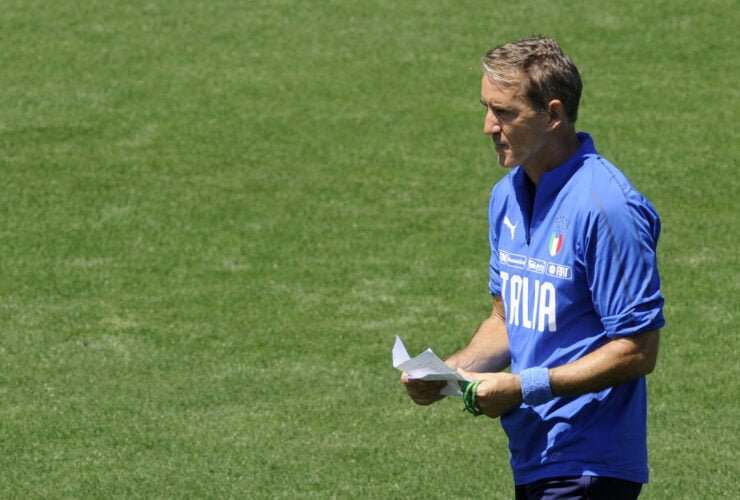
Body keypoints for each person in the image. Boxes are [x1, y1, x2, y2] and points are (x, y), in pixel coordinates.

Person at [402, 36, 665, 499]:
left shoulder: (607, 208)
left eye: (504, 112)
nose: (488, 126)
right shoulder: (506, 195)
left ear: (553, 115)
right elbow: (506, 319)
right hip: (534, 455)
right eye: (486, 108)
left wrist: (525, 387)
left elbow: (637, 350)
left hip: (589, 461)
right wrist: (448, 373)